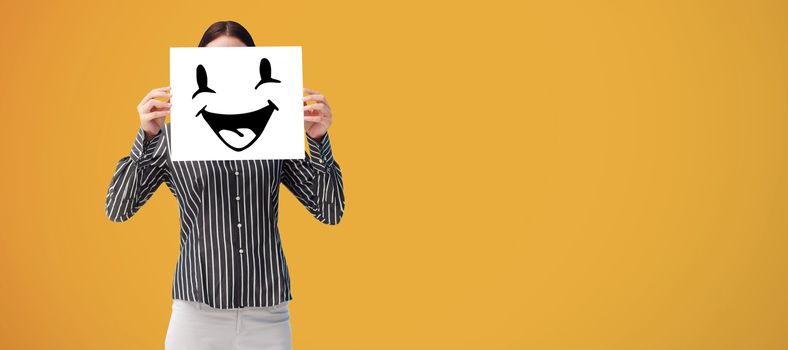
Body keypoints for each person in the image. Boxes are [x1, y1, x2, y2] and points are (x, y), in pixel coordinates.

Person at [104, 20, 345, 350]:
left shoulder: (277, 135)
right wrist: (146, 137)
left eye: (240, 66)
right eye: (216, 67)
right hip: (196, 317)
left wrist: (318, 140)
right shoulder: (171, 140)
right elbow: (117, 208)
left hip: (268, 316)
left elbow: (330, 210)